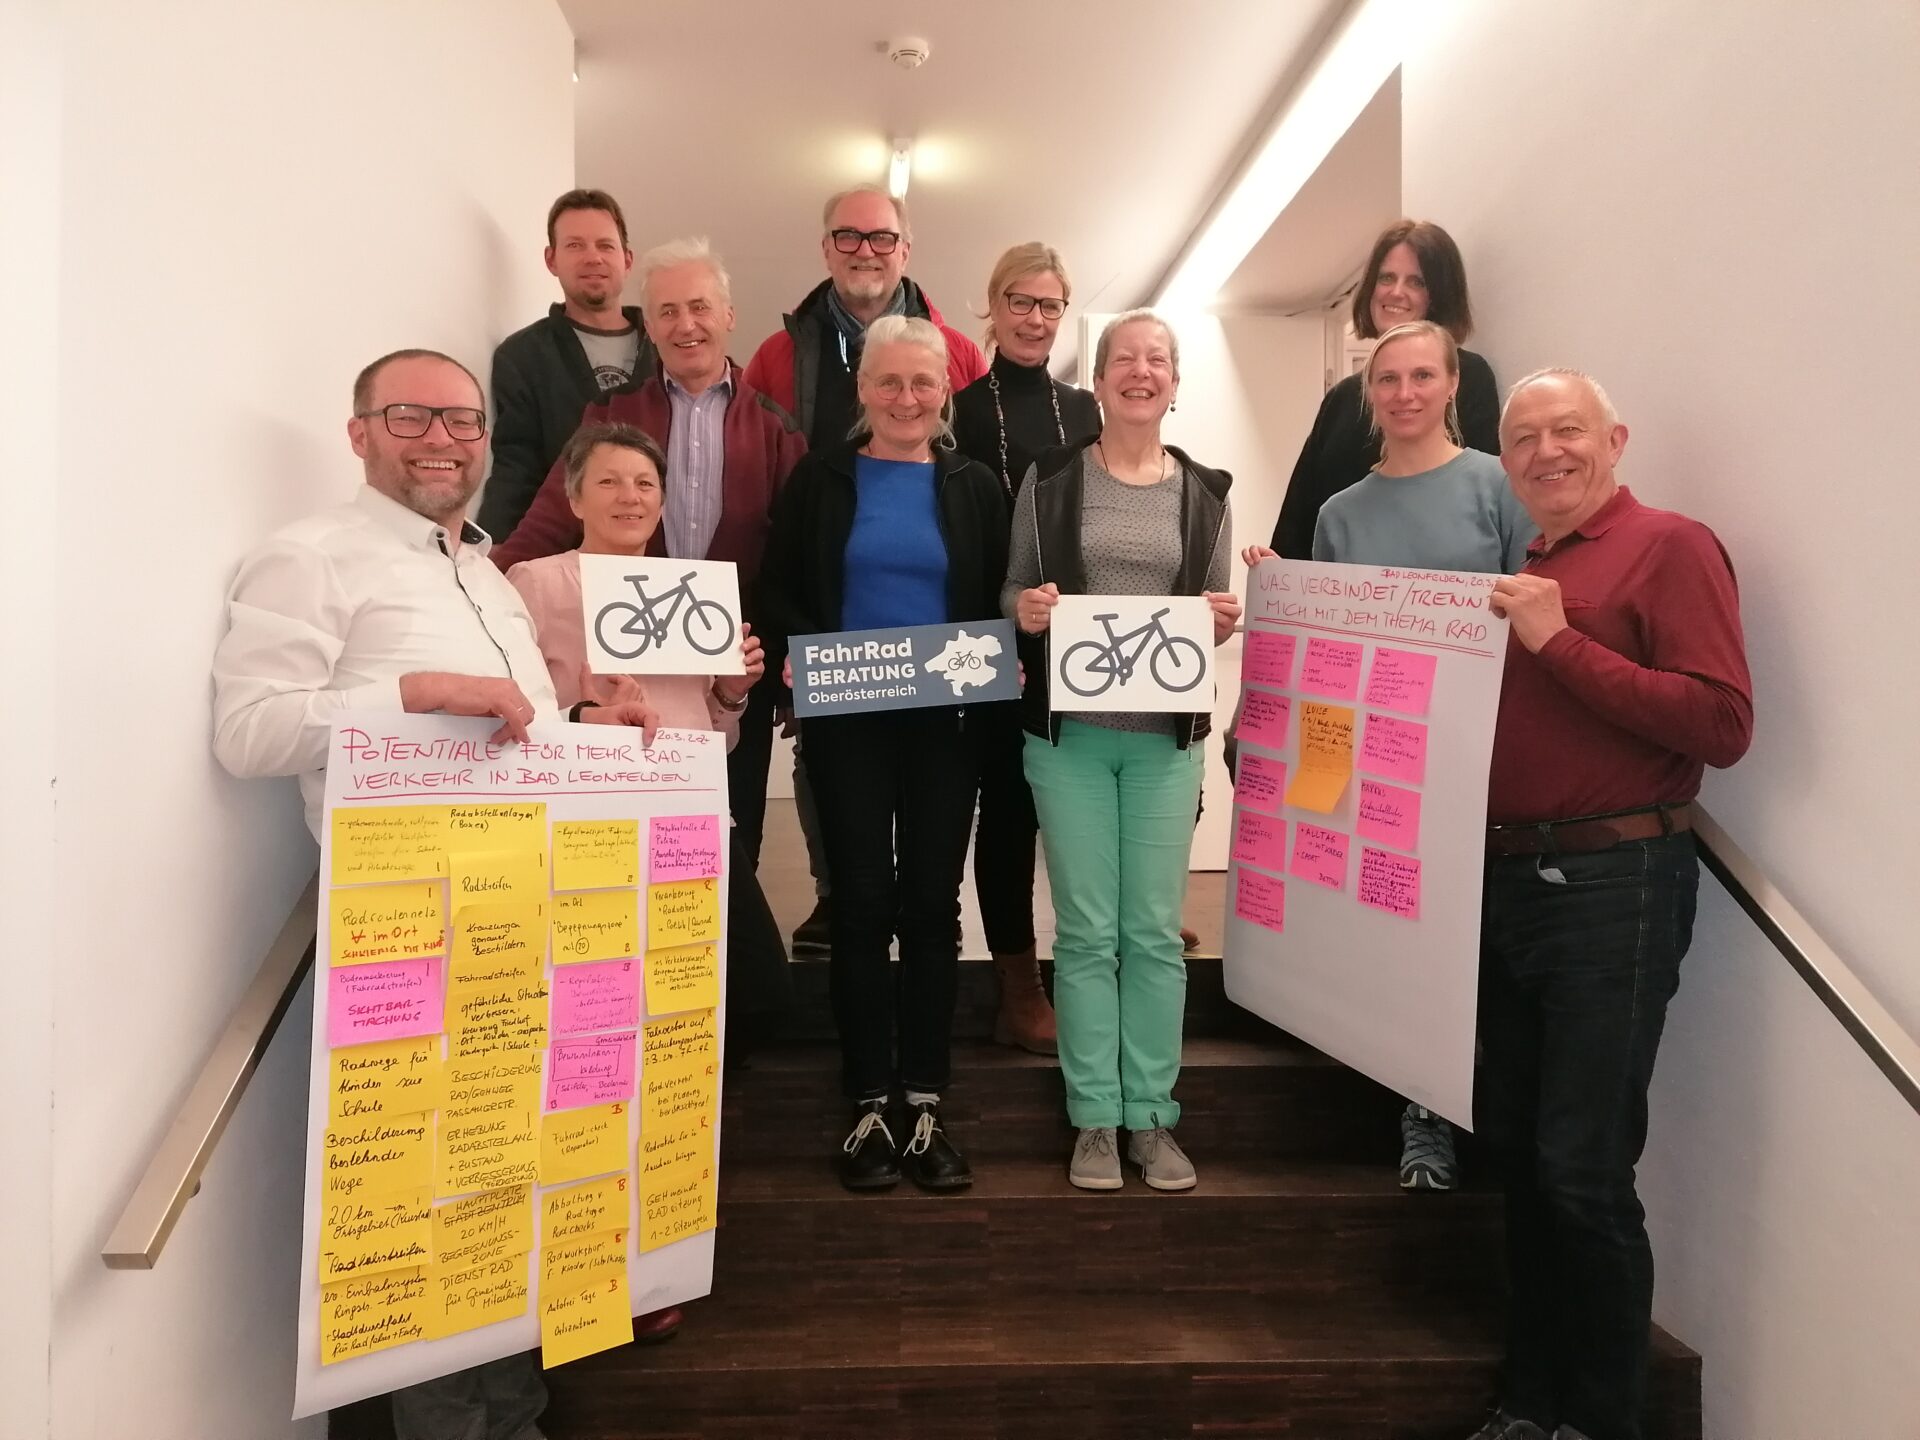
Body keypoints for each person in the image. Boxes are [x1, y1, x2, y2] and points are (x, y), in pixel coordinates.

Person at [211, 348, 666, 1440]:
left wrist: (585, 734)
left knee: (507, 1205)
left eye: (464, 422)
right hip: (409, 936)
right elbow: (249, 732)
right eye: (412, 416)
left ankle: (517, 1418)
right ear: (360, 429)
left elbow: (512, 738)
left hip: (527, 928)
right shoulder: (309, 559)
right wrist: (409, 691)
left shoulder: (488, 576)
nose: (444, 439)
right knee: (434, 1218)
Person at [1464, 369, 1752, 1440]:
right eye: (1525, 437)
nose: (1547, 451)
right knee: (1526, 1165)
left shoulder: (1672, 546)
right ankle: (1531, 1405)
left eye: (1567, 429)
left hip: (1613, 886)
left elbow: (1721, 723)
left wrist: (1558, 639)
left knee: (1584, 1172)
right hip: (1509, 886)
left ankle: (1606, 1420)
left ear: (1614, 439)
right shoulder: (1530, 568)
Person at [1244, 318, 1536, 1193]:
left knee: (1476, 948)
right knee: (1402, 939)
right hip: (1377, 763)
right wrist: (1278, 596)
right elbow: (1327, 653)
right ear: (1366, 396)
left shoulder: (1499, 487)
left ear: (1454, 386)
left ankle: (1482, 1115)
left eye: (1421, 377)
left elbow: (1532, 619)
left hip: (1482, 761)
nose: (1404, 394)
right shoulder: (1340, 513)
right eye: (1386, 380)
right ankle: (1422, 1116)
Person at [758, 316, 1009, 1193]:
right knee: (861, 903)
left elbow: (996, 603)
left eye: (924, 384)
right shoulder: (820, 479)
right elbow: (779, 583)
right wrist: (792, 650)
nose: (907, 399)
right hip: (847, 723)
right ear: (862, 389)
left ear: (946, 392)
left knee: (932, 905)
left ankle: (926, 1103)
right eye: (889, 383)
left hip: (945, 728)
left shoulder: (975, 484)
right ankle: (867, 1100)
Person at [1005, 310, 1238, 1193]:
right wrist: (1024, 611)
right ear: (1097, 382)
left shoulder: (1206, 492)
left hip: (1164, 747)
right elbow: (1013, 586)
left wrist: (1223, 622)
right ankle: (1095, 1117)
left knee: (1153, 936)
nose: (1141, 373)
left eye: (1158, 361)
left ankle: (1153, 1118)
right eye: (1124, 360)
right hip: (1068, 742)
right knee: (1089, 933)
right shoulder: (1050, 478)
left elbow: (1212, 608)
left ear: (1175, 383)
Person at [492, 238, 807, 875]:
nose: (685, 325)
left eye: (698, 307)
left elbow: (798, 556)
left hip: (722, 679)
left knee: (722, 857)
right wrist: (472, 583)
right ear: (648, 325)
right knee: (606, 861)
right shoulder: (610, 416)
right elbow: (551, 516)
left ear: (728, 315)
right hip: (614, 680)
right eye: (666, 311)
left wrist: (784, 665)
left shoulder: (774, 427)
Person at [745, 186, 988, 956]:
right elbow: (779, 535)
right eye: (846, 235)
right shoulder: (780, 356)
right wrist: (791, 657)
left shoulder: (959, 361)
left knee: (928, 894)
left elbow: (984, 577)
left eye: (881, 237)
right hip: (838, 683)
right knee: (853, 883)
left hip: (941, 711)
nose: (864, 249)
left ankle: (922, 1067)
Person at [950, 242, 1101, 1055]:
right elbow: (960, 533)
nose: (1035, 318)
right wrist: (987, 633)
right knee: (1008, 809)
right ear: (994, 304)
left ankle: (1104, 931)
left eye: (1049, 305)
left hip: (1075, 641)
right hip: (989, 636)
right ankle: (1018, 985)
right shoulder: (961, 408)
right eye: (1021, 301)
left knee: (1077, 799)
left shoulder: (1086, 409)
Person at [1269, 219, 1499, 560]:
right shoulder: (1341, 399)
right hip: (1349, 595)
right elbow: (1300, 519)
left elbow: (1482, 504)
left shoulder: (1472, 378)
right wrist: (1280, 579)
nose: (1395, 292)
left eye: (1416, 282)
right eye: (1386, 278)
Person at [478, 188, 655, 541]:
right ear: (551, 259)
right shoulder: (523, 356)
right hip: (564, 556)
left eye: (605, 245)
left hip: (664, 555)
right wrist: (495, 552)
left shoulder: (667, 350)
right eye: (576, 245)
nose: (593, 258)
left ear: (627, 259)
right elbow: (516, 468)